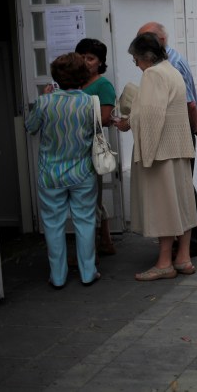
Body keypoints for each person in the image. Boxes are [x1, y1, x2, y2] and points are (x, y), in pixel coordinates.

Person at [115, 33, 197, 280]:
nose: (135, 64)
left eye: (135, 59)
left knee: (164, 207)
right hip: (178, 147)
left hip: (161, 152)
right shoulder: (171, 69)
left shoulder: (152, 74)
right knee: (181, 204)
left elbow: (151, 115)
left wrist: (130, 122)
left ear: (145, 57)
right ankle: (183, 258)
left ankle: (164, 263)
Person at [25, 53, 100, 288]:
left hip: (51, 173)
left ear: (56, 76)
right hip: (83, 172)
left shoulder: (45, 102)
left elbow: (30, 127)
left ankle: (57, 276)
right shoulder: (90, 101)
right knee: (85, 221)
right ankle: (88, 272)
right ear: (83, 76)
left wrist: (44, 100)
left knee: (53, 223)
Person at [137, 22, 197, 257]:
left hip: (171, 139)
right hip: (181, 133)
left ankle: (181, 249)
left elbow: (166, 110)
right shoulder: (171, 63)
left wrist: (193, 125)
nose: (137, 64)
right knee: (182, 190)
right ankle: (188, 249)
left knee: (175, 194)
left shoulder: (161, 70)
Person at [75, 38, 117, 256]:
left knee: (92, 199)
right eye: (81, 57)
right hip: (73, 150)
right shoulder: (74, 83)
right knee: (91, 198)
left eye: (90, 58)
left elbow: (104, 118)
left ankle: (89, 254)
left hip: (90, 149)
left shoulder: (103, 85)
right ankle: (106, 241)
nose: (85, 62)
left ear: (100, 63)